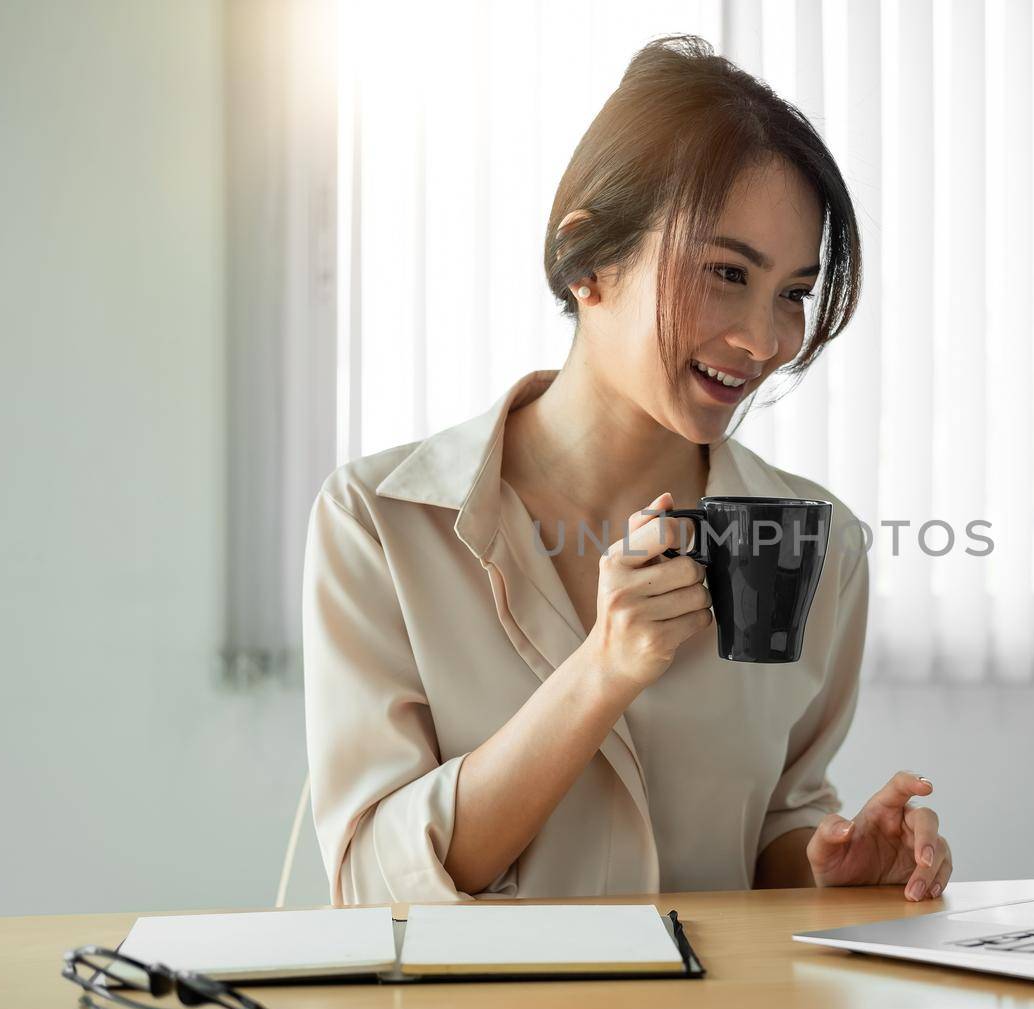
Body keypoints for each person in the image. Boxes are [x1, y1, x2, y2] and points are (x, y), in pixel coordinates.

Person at [302, 34, 953, 906]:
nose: (765, 342)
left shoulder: (815, 541)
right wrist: (602, 669)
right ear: (588, 263)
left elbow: (774, 824)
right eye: (727, 272)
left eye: (793, 293)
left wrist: (833, 864)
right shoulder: (379, 521)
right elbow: (373, 885)